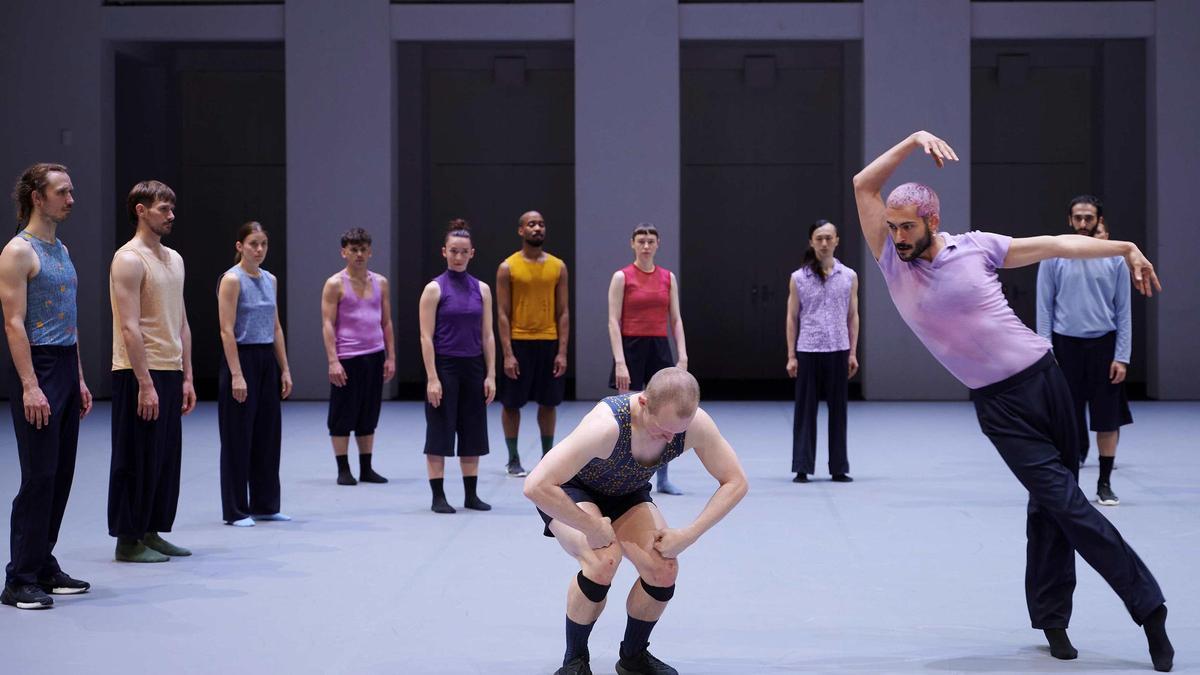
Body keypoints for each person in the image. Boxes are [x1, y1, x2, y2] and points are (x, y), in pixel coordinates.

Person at [852, 130, 1173, 672]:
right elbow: (865, 183)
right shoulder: (891, 262)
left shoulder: (977, 247)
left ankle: (1052, 618)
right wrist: (911, 141)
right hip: (1000, 406)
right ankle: (1150, 608)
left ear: (932, 220)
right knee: (1067, 502)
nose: (898, 235)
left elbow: (1056, 243)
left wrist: (1125, 246)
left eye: (908, 225)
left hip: (1049, 381)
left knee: (1051, 509)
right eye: (893, 225)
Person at [525, 367, 748, 675]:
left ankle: (632, 656)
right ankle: (575, 660)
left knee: (663, 568)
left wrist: (689, 534)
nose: (670, 438)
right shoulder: (607, 426)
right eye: (661, 431)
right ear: (643, 404)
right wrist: (590, 525)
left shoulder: (692, 425)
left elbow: (736, 481)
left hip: (626, 492)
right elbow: (536, 486)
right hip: (569, 491)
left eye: (676, 433)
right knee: (603, 562)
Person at [0, 164, 93, 608]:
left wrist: (78, 377)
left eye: (71, 191)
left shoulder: (62, 249)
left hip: (64, 364)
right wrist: (30, 386)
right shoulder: (18, 252)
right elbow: (14, 324)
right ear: (37, 197)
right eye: (62, 192)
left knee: (60, 475)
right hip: (36, 365)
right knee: (38, 476)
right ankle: (19, 578)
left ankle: (42, 563)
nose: (71, 199)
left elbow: (67, 320)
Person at [108, 180, 196, 563]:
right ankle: (128, 540)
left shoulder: (174, 258)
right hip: (136, 370)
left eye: (172, 208)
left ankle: (152, 529)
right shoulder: (128, 259)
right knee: (135, 455)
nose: (171, 215)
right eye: (163, 208)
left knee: (163, 457)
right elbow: (129, 325)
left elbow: (182, 320)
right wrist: (144, 383)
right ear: (141, 211)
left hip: (171, 368)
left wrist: (188, 374)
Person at [1037, 196, 1131, 506]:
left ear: (1099, 221)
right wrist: (1044, 351)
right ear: (1069, 220)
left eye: (1088, 218)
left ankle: (1104, 483)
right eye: (1077, 218)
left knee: (1107, 418)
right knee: (1064, 417)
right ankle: (1069, 482)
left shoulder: (1115, 259)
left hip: (1104, 345)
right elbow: (1045, 308)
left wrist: (1122, 355)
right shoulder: (1052, 257)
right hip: (1064, 346)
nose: (1082, 224)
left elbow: (1123, 311)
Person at [217, 221, 293, 526]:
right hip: (241, 358)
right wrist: (237, 374)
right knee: (238, 437)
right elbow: (225, 330)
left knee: (267, 434)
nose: (259, 250)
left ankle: (265, 504)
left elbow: (275, 326)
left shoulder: (270, 279)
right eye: (253, 244)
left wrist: (285, 368)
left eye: (263, 244)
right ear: (240, 246)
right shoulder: (232, 280)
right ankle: (236, 509)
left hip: (266, 360)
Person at [418, 219, 496, 514]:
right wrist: (432, 378)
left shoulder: (483, 290)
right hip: (445, 366)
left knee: (473, 430)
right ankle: (438, 496)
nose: (458, 257)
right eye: (453, 251)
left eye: (464, 252)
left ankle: (471, 494)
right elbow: (425, 336)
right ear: (444, 252)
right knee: (439, 431)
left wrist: (490, 374)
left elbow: (488, 335)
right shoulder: (434, 289)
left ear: (472, 253)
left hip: (474, 367)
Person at [606, 223, 689, 495]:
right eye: (641, 240)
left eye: (651, 241)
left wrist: (682, 355)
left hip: (659, 347)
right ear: (632, 243)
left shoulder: (668, 277)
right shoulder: (622, 277)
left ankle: (662, 477)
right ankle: (624, 475)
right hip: (630, 348)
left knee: (665, 412)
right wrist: (620, 360)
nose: (645, 245)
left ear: (657, 244)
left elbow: (675, 319)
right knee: (628, 415)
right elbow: (612, 321)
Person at [785, 219, 858, 483]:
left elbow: (853, 315)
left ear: (837, 240)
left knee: (839, 410)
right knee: (805, 410)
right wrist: (791, 355)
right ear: (811, 242)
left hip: (839, 348)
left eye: (829, 238)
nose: (824, 243)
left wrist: (852, 353)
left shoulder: (848, 276)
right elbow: (792, 317)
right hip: (808, 349)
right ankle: (802, 465)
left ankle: (839, 467)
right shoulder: (798, 278)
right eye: (819, 238)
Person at [496, 210, 569, 477]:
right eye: (531, 224)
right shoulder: (508, 267)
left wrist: (562, 351)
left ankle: (547, 457)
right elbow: (502, 313)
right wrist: (507, 353)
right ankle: (513, 458)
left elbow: (563, 312)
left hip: (548, 342)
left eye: (541, 223)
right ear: (521, 231)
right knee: (511, 404)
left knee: (549, 403)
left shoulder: (558, 266)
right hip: (518, 342)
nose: (537, 228)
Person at [321, 228, 395, 485]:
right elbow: (328, 324)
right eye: (353, 249)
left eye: (363, 249)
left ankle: (366, 467)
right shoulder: (334, 284)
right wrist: (333, 360)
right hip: (347, 356)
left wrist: (390, 356)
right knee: (342, 413)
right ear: (344, 252)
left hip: (374, 354)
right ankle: (343, 469)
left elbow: (386, 322)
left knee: (368, 411)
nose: (359, 254)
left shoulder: (381, 283)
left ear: (370, 251)